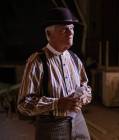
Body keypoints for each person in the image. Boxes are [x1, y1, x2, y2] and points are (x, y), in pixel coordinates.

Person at [17, 7, 92, 140]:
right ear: (49, 34)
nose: (70, 33)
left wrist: (83, 97)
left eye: (72, 28)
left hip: (78, 122)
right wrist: (57, 103)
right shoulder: (37, 61)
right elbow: (24, 104)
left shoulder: (75, 58)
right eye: (64, 29)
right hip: (52, 127)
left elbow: (86, 88)